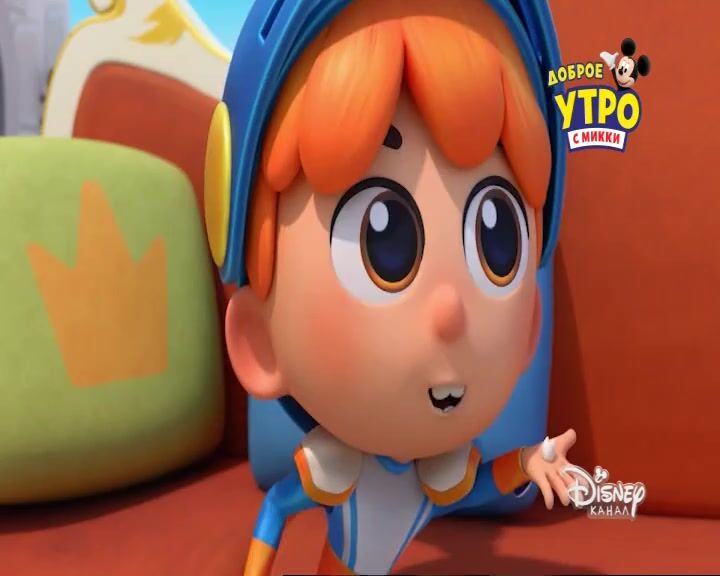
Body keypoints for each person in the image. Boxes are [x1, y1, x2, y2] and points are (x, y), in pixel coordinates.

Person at [203, 1, 575, 574]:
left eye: (497, 241)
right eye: (385, 241)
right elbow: (277, 507)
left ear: (531, 327)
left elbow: (480, 486)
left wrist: (530, 461)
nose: (450, 311)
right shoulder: (336, 472)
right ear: (259, 342)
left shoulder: (435, 477)